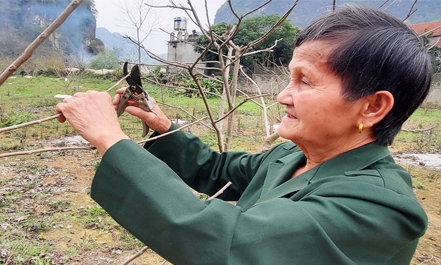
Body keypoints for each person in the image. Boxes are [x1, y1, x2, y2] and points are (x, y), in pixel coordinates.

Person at [56, 4, 432, 265]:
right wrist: (163, 126)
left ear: (371, 107)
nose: (284, 95)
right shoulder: (292, 157)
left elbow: (230, 244)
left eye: (305, 81)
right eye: (289, 78)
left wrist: (110, 137)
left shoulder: (379, 208)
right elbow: (216, 169)